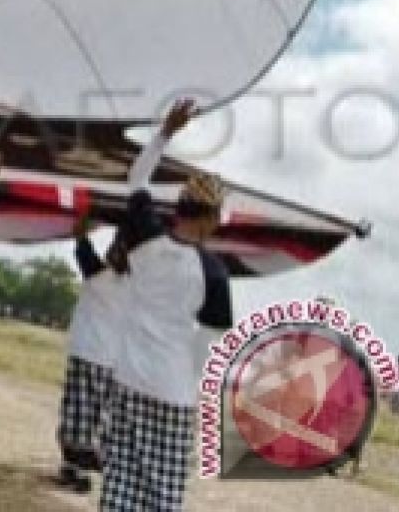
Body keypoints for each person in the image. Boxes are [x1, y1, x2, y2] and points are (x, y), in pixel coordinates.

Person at [99, 99, 234, 512]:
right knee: (161, 497)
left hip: (127, 382)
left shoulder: (143, 238)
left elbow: (137, 177)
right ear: (210, 219)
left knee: (119, 487)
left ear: (178, 207)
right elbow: (208, 350)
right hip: (173, 394)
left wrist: (165, 134)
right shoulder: (214, 274)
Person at [54, 218, 125, 493]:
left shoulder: (98, 276)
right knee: (95, 418)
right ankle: (76, 468)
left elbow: (81, 242)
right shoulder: (135, 285)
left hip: (87, 355)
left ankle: (77, 471)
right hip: (112, 362)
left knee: (77, 415)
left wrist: (86, 218)